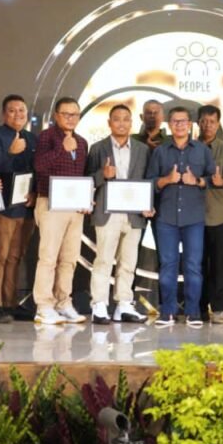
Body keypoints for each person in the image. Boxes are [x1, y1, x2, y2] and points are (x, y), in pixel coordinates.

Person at [145, 106, 216, 326]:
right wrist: (167, 179)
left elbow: (214, 180)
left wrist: (198, 181)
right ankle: (168, 312)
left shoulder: (202, 150)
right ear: (169, 125)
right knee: (168, 265)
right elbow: (149, 182)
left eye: (183, 121)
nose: (179, 125)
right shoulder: (160, 151)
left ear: (190, 124)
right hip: (166, 218)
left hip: (194, 218)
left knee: (193, 266)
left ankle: (193, 313)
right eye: (175, 121)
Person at [86, 104, 153, 324]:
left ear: (131, 123)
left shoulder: (142, 149)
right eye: (117, 119)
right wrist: (102, 175)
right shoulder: (98, 148)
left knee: (128, 262)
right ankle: (99, 305)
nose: (121, 123)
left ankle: (124, 304)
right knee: (104, 260)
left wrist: (149, 204)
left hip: (134, 213)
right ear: (109, 123)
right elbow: (87, 181)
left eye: (126, 119)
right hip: (108, 212)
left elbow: (148, 180)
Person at [32, 97, 90, 325]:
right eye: (66, 114)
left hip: (74, 208)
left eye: (74, 114)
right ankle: (43, 306)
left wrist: (86, 199)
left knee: (69, 258)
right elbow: (39, 166)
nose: (70, 118)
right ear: (56, 116)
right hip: (50, 204)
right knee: (48, 258)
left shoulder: (82, 142)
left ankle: (63, 302)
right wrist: (61, 149)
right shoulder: (47, 137)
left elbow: (82, 176)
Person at [0, 94, 37, 324]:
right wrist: (11, 153)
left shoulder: (32, 138)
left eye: (21, 110)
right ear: (4, 114)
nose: (18, 114)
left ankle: (10, 303)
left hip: (25, 208)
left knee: (15, 257)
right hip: (3, 207)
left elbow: (36, 170)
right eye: (12, 110)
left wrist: (34, 193)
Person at [196, 105, 223, 323]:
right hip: (192, 217)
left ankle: (220, 308)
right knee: (197, 264)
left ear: (218, 123)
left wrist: (222, 182)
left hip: (218, 215)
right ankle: (199, 308)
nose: (208, 125)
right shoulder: (189, 147)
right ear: (198, 123)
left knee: (219, 264)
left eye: (212, 122)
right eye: (204, 121)